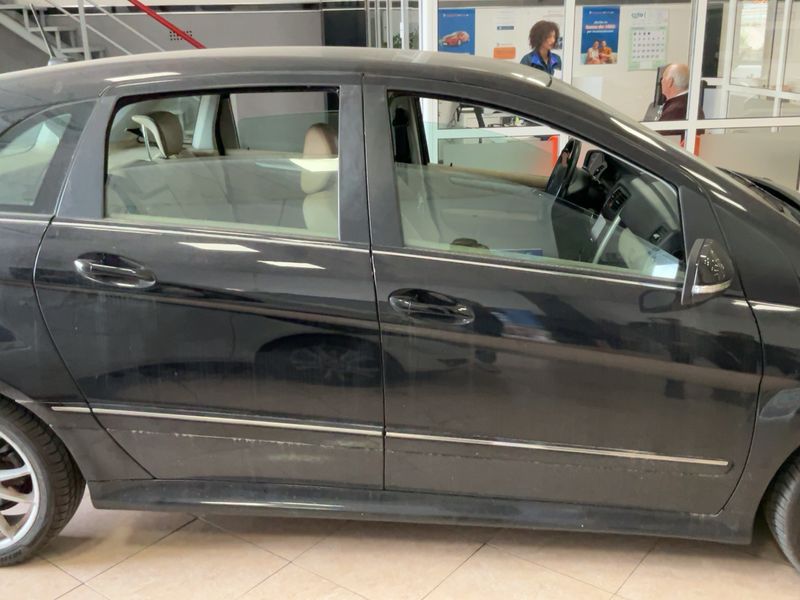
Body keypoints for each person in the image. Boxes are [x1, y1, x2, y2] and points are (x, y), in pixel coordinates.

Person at [657, 63, 705, 142]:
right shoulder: (690, 104)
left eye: (663, 78)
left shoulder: (676, 110)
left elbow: (659, 140)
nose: (661, 82)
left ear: (670, 82)